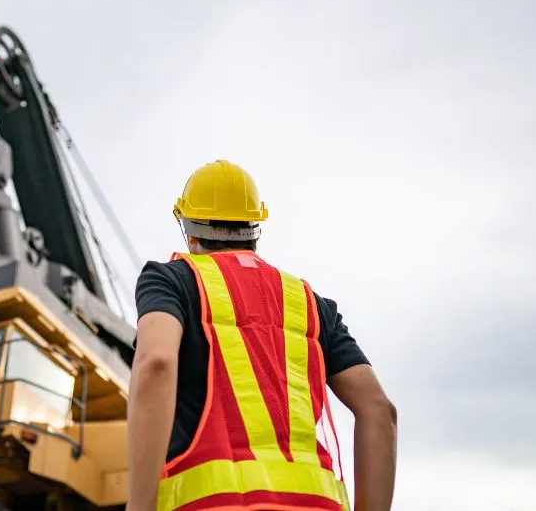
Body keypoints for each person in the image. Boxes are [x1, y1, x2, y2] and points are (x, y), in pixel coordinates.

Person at [126, 160, 397, 511]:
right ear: (255, 228)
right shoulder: (310, 303)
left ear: (189, 230)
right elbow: (379, 411)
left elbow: (157, 362)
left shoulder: (172, 280)